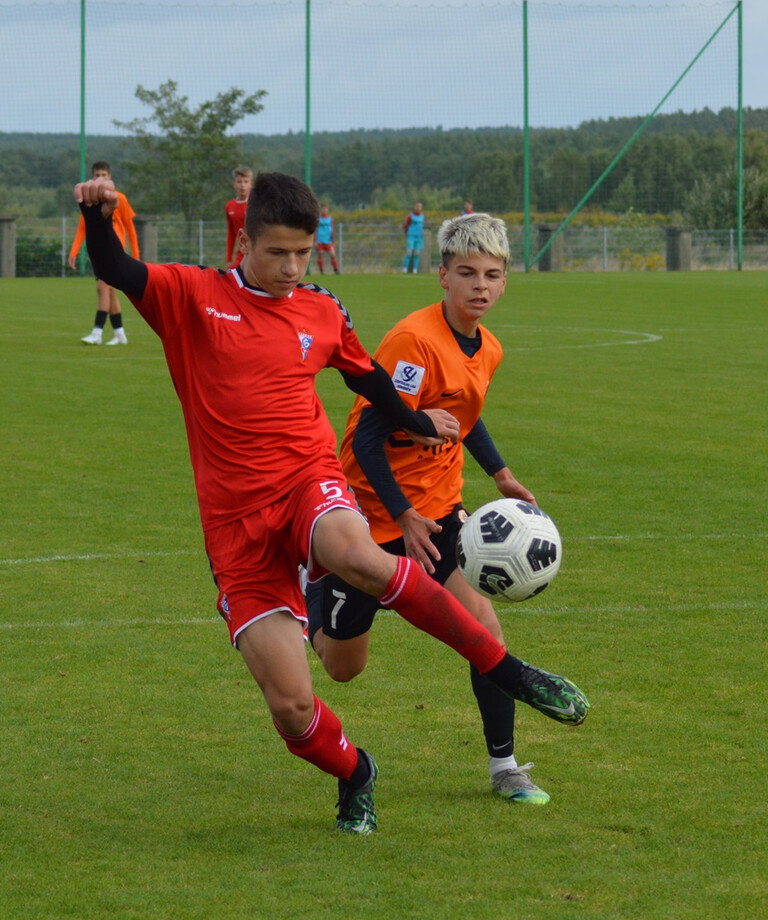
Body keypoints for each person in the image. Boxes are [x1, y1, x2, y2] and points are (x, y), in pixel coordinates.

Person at [73, 171, 589, 836]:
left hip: (307, 480)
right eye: (277, 253)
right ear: (244, 244)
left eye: (303, 255)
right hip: (235, 525)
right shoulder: (191, 295)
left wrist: (416, 419)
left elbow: (363, 375)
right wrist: (97, 212)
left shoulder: (320, 309)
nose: (291, 269)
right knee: (293, 705)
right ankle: (356, 774)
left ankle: (508, 671)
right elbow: (114, 263)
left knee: (358, 555)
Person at [307, 213, 552, 805]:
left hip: (441, 517)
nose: (480, 286)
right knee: (343, 668)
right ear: (441, 275)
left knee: (483, 631)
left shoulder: (488, 347)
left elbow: (465, 414)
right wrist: (403, 514)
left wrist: (500, 473)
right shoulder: (413, 342)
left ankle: (506, 768)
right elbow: (366, 436)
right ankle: (309, 585)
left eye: (492, 275)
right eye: (466, 272)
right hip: (367, 523)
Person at [68, 161, 139, 345]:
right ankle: (120, 333)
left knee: (102, 288)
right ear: (92, 177)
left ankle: (97, 333)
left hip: (114, 250)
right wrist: (74, 251)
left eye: (104, 175)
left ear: (110, 177)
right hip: (98, 249)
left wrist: (136, 255)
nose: (100, 178)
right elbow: (82, 228)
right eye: (97, 175)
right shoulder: (90, 200)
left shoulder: (119, 198)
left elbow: (130, 227)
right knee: (111, 292)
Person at [225, 166, 253, 268]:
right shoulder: (229, 206)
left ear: (250, 184)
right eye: (239, 182)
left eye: (246, 182)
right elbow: (231, 232)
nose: (242, 185)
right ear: (234, 185)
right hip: (242, 251)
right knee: (230, 275)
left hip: (256, 250)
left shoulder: (255, 204)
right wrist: (228, 258)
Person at [314, 203, 340, 274]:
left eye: (325, 209)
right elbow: (315, 230)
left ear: (327, 210)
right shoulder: (318, 219)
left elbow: (333, 230)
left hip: (328, 241)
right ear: (321, 210)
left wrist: (333, 240)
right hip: (320, 240)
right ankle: (321, 271)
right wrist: (315, 241)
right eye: (323, 209)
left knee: (333, 254)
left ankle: (336, 270)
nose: (324, 210)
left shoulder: (330, 219)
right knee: (320, 254)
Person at [402, 202, 424, 273]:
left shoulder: (422, 216)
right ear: (414, 207)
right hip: (411, 236)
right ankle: (405, 268)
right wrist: (406, 233)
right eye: (417, 206)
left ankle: (415, 269)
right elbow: (406, 225)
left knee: (417, 253)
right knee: (409, 252)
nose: (418, 208)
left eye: (419, 206)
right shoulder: (410, 216)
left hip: (419, 237)